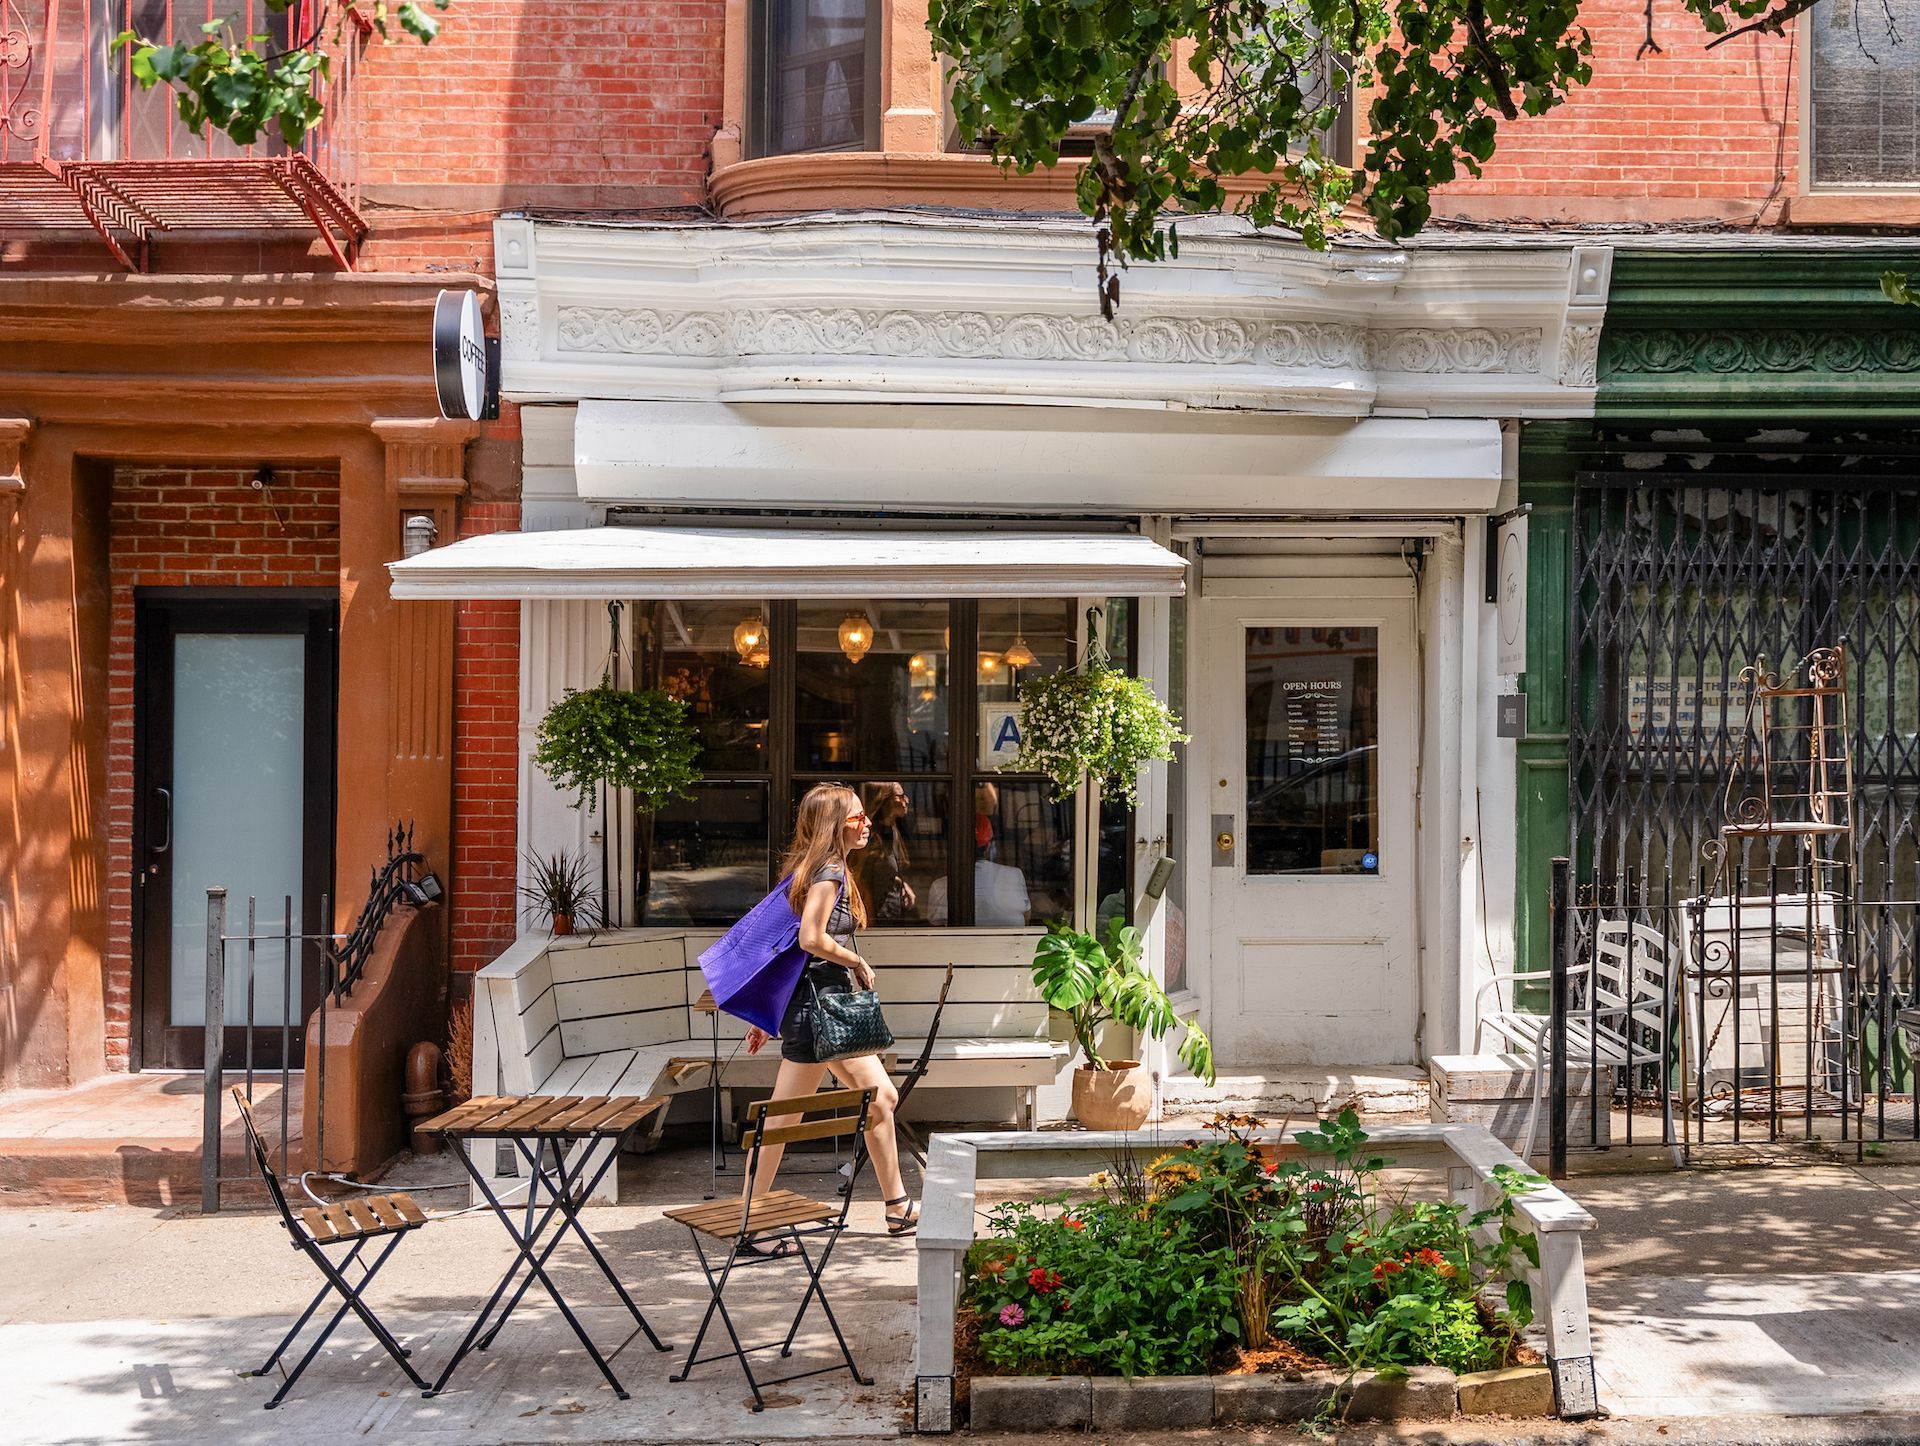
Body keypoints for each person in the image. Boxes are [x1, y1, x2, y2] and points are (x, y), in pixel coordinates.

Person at [742, 783, 918, 1242]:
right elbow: (809, 940)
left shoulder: (812, 869)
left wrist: (765, 1014)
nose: (865, 823)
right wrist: (855, 959)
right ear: (834, 824)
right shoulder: (827, 871)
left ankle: (897, 1206)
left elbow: (780, 950)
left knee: (877, 1099)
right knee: (783, 1120)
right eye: (857, 817)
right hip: (820, 1009)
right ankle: (747, 1219)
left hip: (819, 1007)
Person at [853, 780, 916, 921]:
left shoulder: (892, 830)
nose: (906, 800)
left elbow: (888, 868)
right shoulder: (869, 838)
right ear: (884, 799)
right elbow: (861, 877)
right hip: (877, 915)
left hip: (893, 909)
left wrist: (902, 884)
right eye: (899, 796)